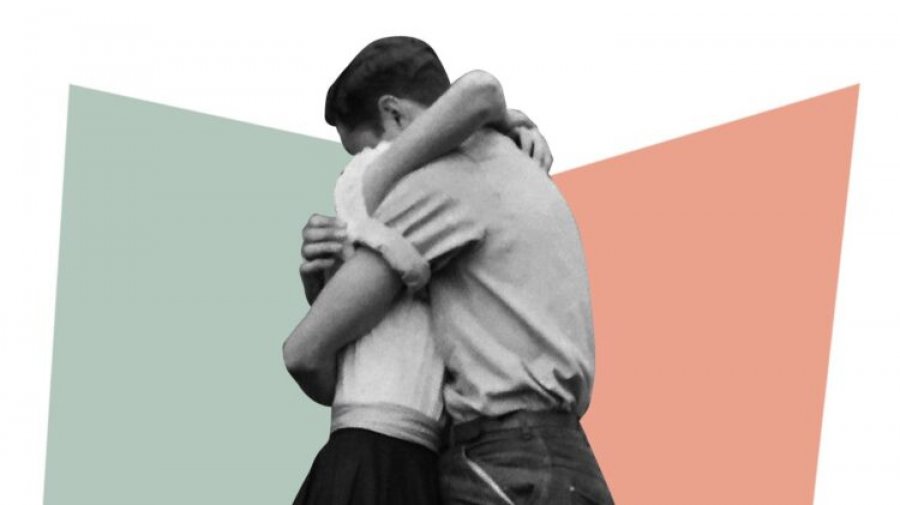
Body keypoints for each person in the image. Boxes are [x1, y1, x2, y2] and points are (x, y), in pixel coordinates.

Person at [283, 36, 553, 505]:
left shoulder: (403, 184)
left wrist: (497, 121)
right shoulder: (440, 198)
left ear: (394, 115)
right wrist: (509, 124)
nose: (360, 167)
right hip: (402, 460)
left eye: (363, 150)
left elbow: (480, 92)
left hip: (382, 462)